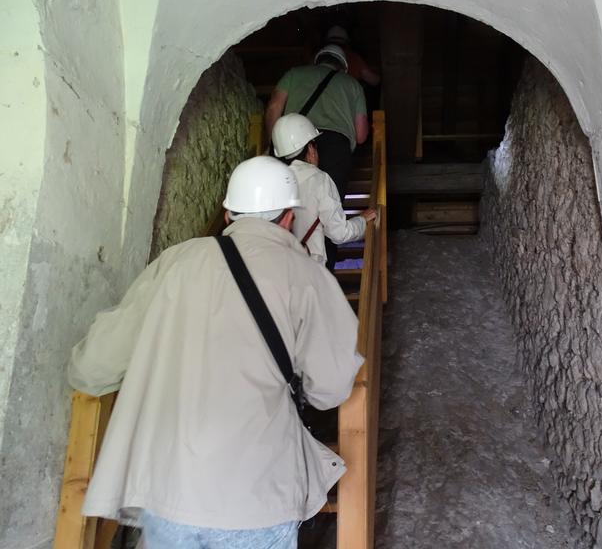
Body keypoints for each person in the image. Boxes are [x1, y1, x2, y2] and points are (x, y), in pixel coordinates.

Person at [68, 156, 364, 548]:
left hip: (169, 489)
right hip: (258, 493)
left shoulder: (176, 262)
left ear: (227, 214)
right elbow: (330, 389)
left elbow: (92, 367)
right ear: (289, 218)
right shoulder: (309, 277)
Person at [264, 44, 368, 203]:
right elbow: (361, 136)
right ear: (344, 67)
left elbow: (273, 108)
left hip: (295, 141)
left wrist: (274, 144)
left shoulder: (294, 74)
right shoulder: (353, 84)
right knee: (330, 205)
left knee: (288, 200)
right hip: (336, 147)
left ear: (317, 61)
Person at [272, 113, 377, 271]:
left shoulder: (272, 181)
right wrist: (362, 221)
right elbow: (339, 233)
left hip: (278, 267)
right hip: (310, 269)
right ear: (311, 149)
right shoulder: (319, 179)